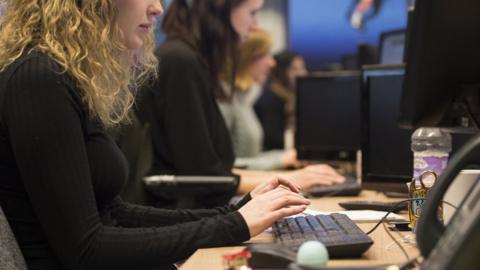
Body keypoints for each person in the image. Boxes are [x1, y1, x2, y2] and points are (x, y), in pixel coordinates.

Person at [0, 0, 311, 269]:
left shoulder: (66, 78)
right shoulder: (39, 79)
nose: (158, 9)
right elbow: (86, 250)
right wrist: (234, 225)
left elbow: (114, 212)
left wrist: (233, 212)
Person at [137, 0, 345, 208]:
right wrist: (292, 180)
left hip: (197, 217)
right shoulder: (180, 61)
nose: (254, 25)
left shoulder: (190, 60)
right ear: (219, 12)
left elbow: (216, 173)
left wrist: (286, 178)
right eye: (252, 13)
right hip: (187, 221)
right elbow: (204, 177)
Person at [218, 29, 299, 170]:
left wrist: (290, 156)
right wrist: (281, 160)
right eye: (265, 54)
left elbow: (252, 158)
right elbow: (223, 167)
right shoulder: (224, 99)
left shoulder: (240, 99)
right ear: (246, 57)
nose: (272, 63)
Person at [254, 51, 308, 151]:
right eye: (295, 69)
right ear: (281, 71)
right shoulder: (270, 99)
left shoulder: (291, 98)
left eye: (303, 68)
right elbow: (272, 140)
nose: (302, 74)